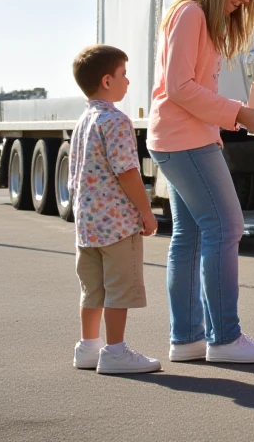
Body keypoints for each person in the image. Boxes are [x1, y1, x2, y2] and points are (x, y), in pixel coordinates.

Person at [148, 0, 254, 364]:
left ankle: (188, 340)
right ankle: (225, 339)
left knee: (191, 237)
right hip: (183, 140)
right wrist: (239, 113)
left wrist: (231, 120)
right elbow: (179, 87)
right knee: (227, 228)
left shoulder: (195, 16)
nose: (246, 0)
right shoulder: (192, 13)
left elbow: (189, 88)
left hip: (185, 137)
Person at [69, 45, 161, 374]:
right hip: (118, 223)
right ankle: (116, 351)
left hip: (88, 225)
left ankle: (88, 347)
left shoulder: (83, 121)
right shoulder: (115, 120)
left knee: (92, 289)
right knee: (119, 289)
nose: (128, 81)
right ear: (107, 81)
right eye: (123, 74)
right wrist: (146, 212)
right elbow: (126, 171)